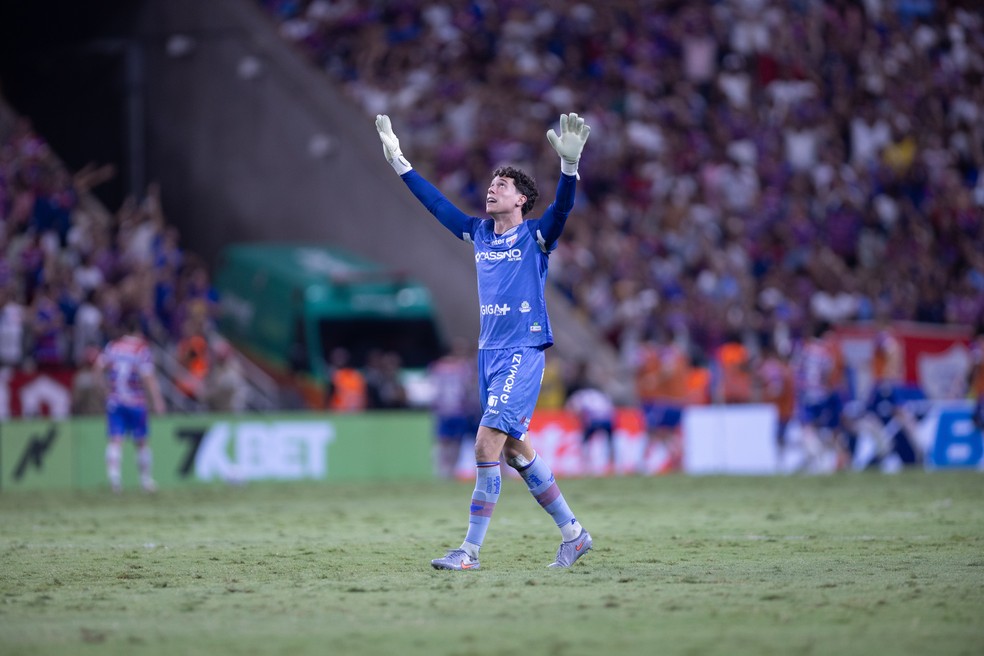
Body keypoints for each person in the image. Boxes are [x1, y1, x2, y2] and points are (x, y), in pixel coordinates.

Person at [375, 111, 593, 570]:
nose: (493, 187)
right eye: (493, 182)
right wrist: (400, 163)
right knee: (515, 449)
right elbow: (437, 206)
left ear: (521, 200)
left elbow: (563, 210)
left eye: (504, 185)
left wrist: (569, 170)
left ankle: (470, 552)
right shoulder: (477, 233)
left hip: (523, 349)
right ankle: (573, 534)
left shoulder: (536, 236)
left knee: (485, 444)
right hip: (488, 354)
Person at [94, 315, 166, 493]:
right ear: (138, 331)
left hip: (115, 400)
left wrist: (104, 390)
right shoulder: (141, 349)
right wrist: (157, 400)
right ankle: (145, 481)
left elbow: (97, 368)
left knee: (115, 440)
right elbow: (148, 377)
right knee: (141, 441)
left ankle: (114, 479)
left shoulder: (113, 346)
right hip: (136, 402)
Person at [427, 337, 481, 479]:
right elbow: (468, 389)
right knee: (454, 442)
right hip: (458, 410)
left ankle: (443, 472)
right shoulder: (464, 367)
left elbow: (432, 389)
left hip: (444, 410)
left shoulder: (436, 367)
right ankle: (449, 471)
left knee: (445, 442)